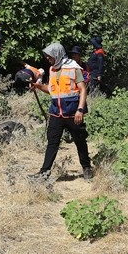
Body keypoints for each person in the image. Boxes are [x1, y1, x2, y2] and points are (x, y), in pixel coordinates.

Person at [30, 42, 94, 180]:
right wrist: (38, 86)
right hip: (56, 113)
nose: (48, 59)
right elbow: (52, 90)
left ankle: (86, 167)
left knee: (80, 140)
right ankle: (44, 172)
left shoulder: (73, 68)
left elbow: (83, 89)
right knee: (52, 142)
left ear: (57, 54)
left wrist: (80, 110)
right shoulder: (52, 69)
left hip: (72, 112)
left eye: (50, 56)